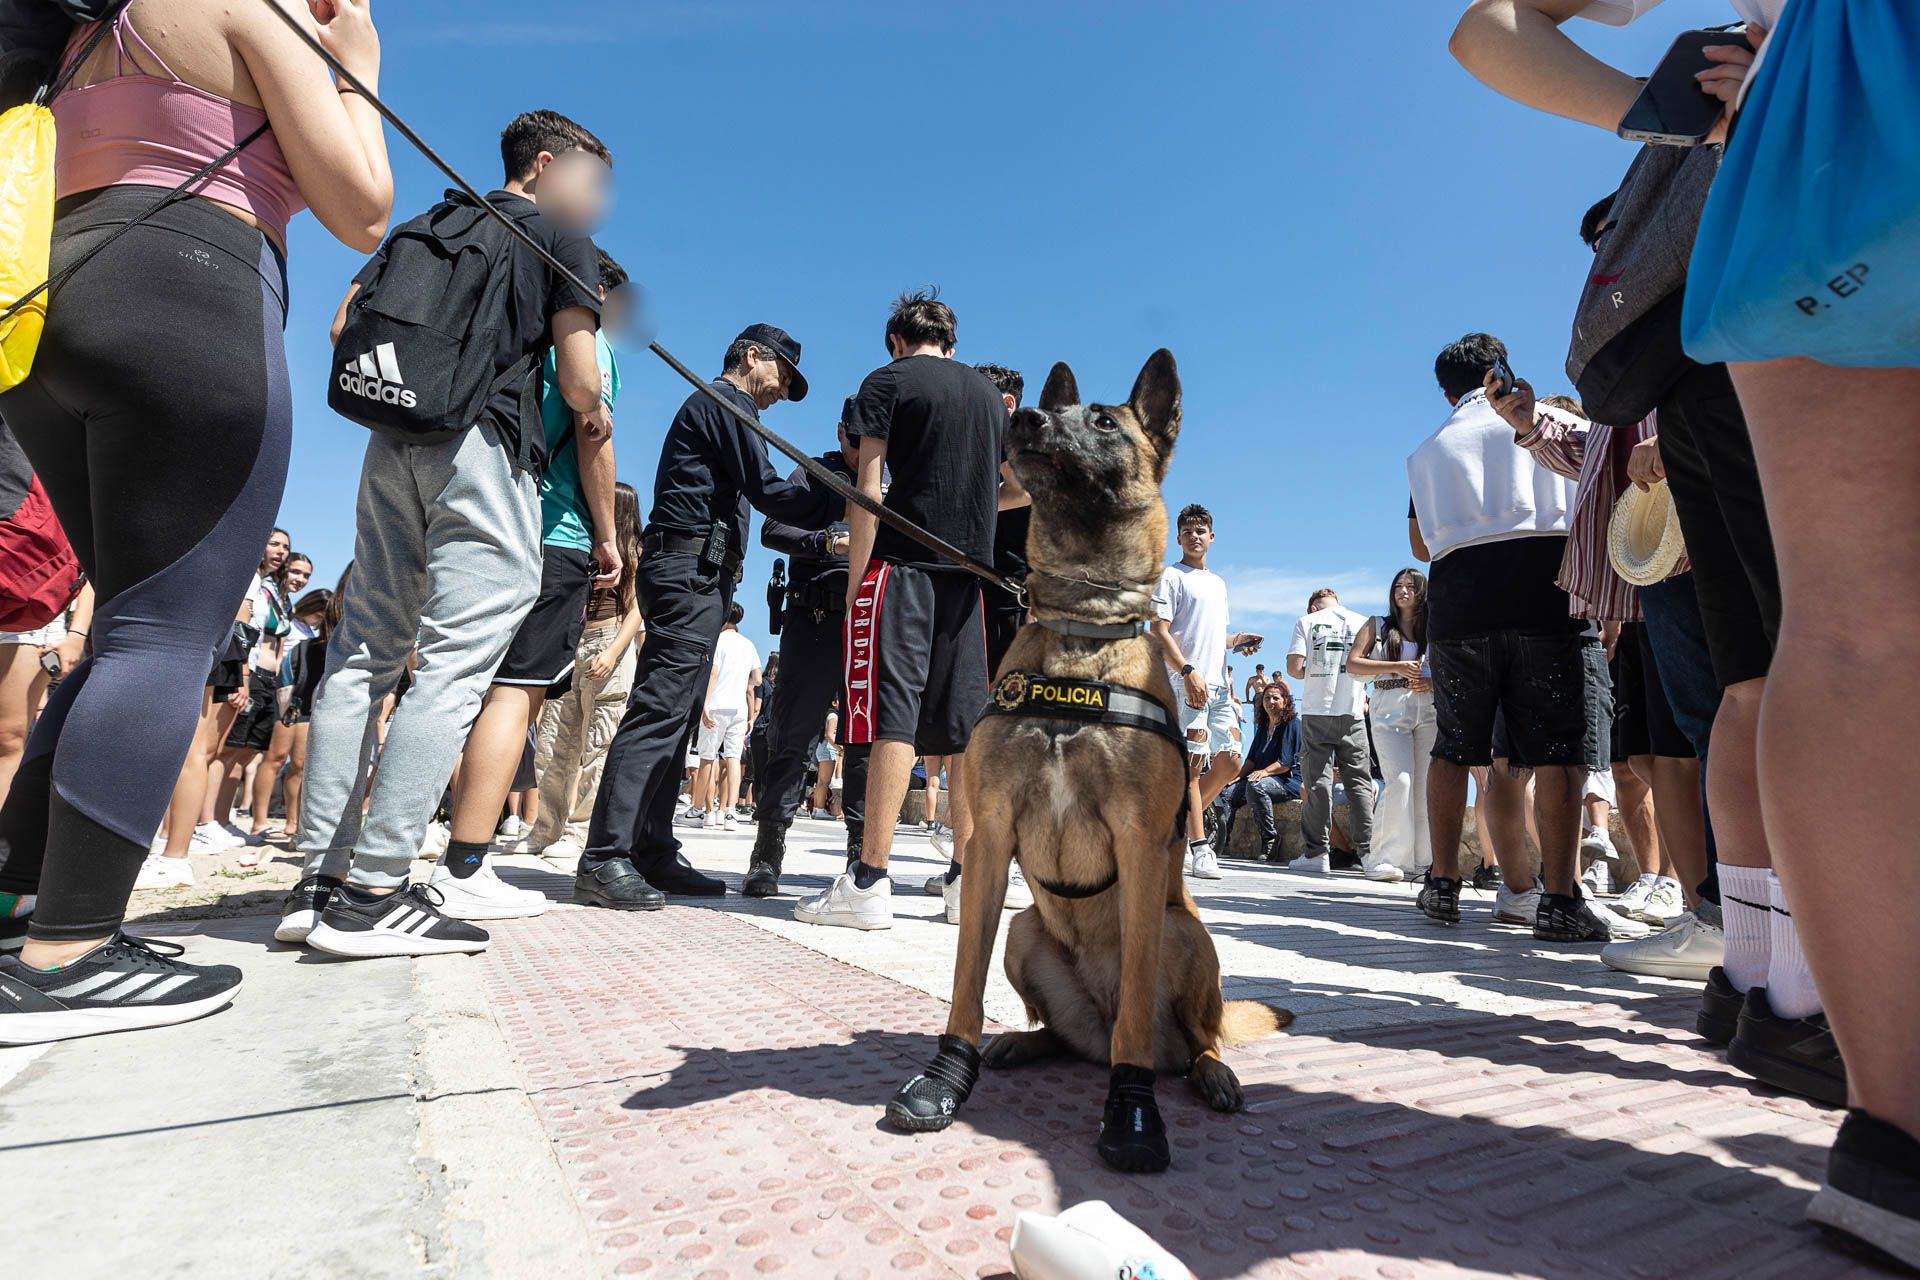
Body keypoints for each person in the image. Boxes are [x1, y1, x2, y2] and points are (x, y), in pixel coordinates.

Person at [1450, 0, 1839, 1117]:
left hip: (1714, 375)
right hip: (1793, 330)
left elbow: (1490, 28)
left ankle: (1760, 974)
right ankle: (1796, 982)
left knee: (1746, 694)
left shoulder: (1646, 345)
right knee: (1819, 666)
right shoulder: (1790, 74)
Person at [0, 0, 392, 1040]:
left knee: (126, 624)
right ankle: (68, 950)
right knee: (167, 630)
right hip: (192, 296)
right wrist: (356, 66)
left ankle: (21, 909)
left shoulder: (79, 30)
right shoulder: (241, 8)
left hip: (55, 307)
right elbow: (361, 206)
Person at [282, 109, 609, 957]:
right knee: (462, 658)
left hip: (392, 442)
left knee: (364, 653)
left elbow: (340, 327)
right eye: (592, 181)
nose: (597, 202)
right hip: (485, 448)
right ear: (543, 166)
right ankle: (379, 890)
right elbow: (578, 384)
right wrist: (591, 401)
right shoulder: (554, 236)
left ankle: (319, 879)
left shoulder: (427, 222)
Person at [575, 324, 828, 910]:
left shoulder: (729, 409)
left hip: (701, 578)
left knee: (679, 715)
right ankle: (605, 856)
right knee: (660, 710)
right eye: (782, 374)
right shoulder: (725, 403)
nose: (782, 389)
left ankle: (652, 849)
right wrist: (844, 493)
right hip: (689, 573)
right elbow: (769, 490)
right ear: (752, 356)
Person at [794, 291, 1012, 931]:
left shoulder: (885, 382)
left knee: (895, 717)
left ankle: (870, 880)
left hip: (904, 569)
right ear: (950, 339)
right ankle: (964, 884)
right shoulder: (986, 397)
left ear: (895, 340)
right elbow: (1017, 487)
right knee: (965, 727)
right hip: (969, 577)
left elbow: (868, 489)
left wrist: (861, 583)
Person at [427, 247, 627, 920]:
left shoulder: (506, 330)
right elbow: (594, 436)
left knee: (454, 682)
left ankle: (376, 859)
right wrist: (607, 534)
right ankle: (467, 862)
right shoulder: (587, 345)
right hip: (554, 532)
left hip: (473, 511)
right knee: (517, 693)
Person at [1407, 333, 1616, 943]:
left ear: (1446, 390)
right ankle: (1559, 897)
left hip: (1458, 598)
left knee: (1455, 746)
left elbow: (1420, 546)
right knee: (1558, 750)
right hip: (1543, 586)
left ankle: (1442, 882)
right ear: (1500, 368)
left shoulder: (1425, 452)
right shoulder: (1544, 421)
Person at [745, 412, 872, 896]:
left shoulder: (890, 482)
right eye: (858, 441)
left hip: (863, 625)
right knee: (791, 740)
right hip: (813, 621)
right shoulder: (813, 472)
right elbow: (772, 529)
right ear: (841, 433)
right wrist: (826, 539)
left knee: (863, 743)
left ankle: (862, 857)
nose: (866, 451)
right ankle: (766, 854)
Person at [526, 482, 643, 863]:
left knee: (599, 746)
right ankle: (546, 828)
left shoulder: (634, 552)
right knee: (552, 746)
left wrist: (612, 651)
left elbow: (637, 608)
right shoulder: (587, 546)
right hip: (572, 643)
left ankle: (578, 832)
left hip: (609, 642)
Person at [1149, 504, 1259, 883]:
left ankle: (1175, 824)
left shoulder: (1218, 583)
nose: (1195, 536)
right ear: (1178, 538)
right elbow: (1158, 630)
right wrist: (1188, 671)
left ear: (1212, 537)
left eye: (1201, 531)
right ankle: (1199, 847)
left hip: (1217, 686)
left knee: (1230, 761)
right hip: (1185, 680)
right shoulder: (1171, 576)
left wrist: (1238, 640)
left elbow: (1214, 636)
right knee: (1192, 767)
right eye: (1187, 531)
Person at [1345, 570, 1434, 883]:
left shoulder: (1435, 628)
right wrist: (1396, 665)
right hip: (1389, 706)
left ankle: (1423, 862)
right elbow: (1353, 663)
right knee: (1401, 781)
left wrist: (1431, 680)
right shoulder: (1377, 625)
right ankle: (1382, 857)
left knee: (1425, 785)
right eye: (1398, 586)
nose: (1403, 591)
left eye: (1411, 586)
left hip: (1429, 709)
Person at [1285, 587, 1375, 876]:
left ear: (1314, 607)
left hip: (1317, 710)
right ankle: (1369, 854)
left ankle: (1317, 853)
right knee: (1360, 782)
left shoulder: (1306, 622)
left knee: (1317, 783)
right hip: (1352, 710)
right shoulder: (1363, 621)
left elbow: (1294, 669)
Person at [215, 533, 295, 844]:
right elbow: (244, 630)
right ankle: (209, 821)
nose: (280, 551)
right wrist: (243, 675)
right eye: (274, 543)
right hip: (245, 670)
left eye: (286, 547)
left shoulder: (274, 591)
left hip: (269, 680)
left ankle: (221, 820)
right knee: (225, 749)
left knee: (246, 753)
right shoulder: (251, 581)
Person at [975, 364, 1030, 679]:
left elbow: (1023, 494)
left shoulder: (1018, 443)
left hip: (1012, 600)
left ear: (1007, 404)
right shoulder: (982, 446)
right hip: (980, 593)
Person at [693, 604, 759, 831]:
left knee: (707, 758)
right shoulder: (748, 644)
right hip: (739, 708)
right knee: (732, 758)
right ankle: (729, 811)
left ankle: (703, 810)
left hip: (717, 704)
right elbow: (757, 680)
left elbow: (712, 673)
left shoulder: (717, 640)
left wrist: (705, 704)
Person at [1220, 681, 1303, 860]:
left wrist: (1264, 772)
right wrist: (1237, 777)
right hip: (1260, 777)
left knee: (1257, 787)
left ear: (1285, 701)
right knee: (1226, 792)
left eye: (1275, 698)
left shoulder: (1292, 724)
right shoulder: (1264, 726)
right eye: (1267, 698)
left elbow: (1285, 762)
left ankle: (1270, 839)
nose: (1270, 701)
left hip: (1288, 781)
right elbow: (1251, 760)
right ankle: (1222, 840)